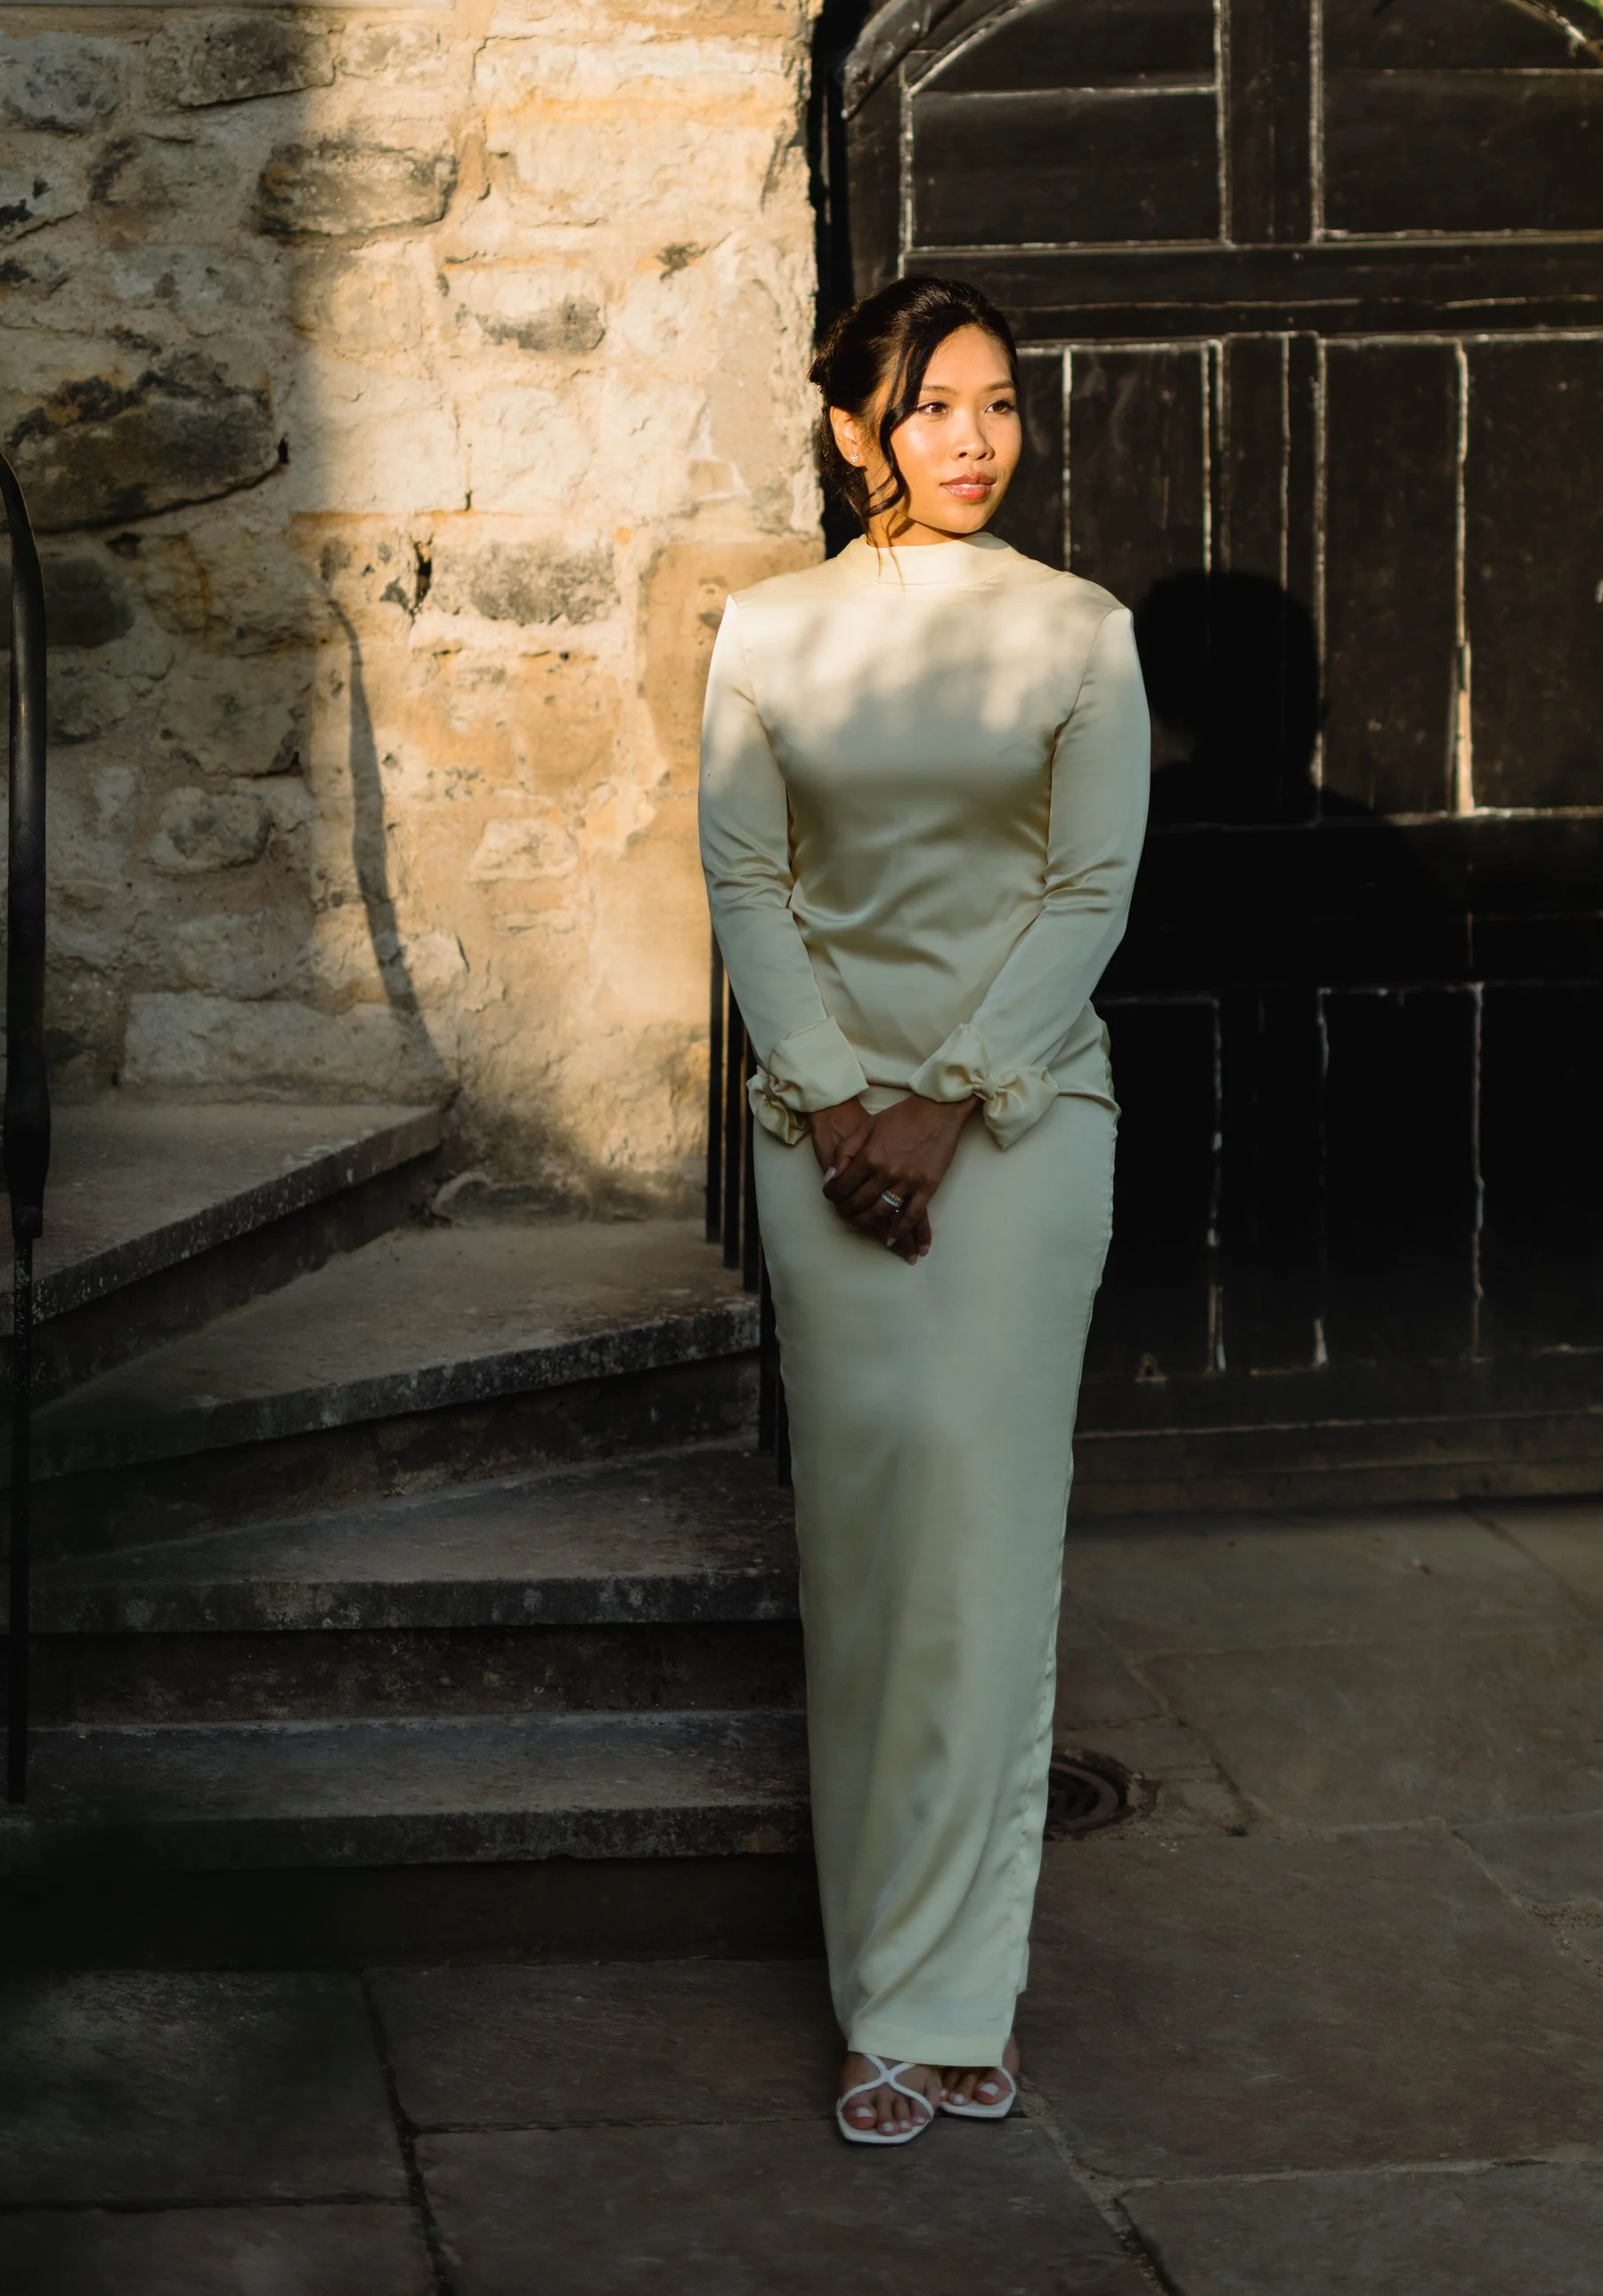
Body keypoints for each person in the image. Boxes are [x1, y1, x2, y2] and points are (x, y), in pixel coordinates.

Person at [697, 275, 1151, 2145]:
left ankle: (942, 1995)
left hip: (1021, 1136)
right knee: (865, 1559)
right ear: (851, 428)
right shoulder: (769, 631)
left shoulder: (1078, 633)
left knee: (979, 1550)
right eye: (934, 404)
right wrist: (835, 1095)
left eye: (998, 403)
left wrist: (946, 1099)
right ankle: (878, 1962)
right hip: (825, 1146)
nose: (972, 437)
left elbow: (1086, 889)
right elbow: (746, 879)